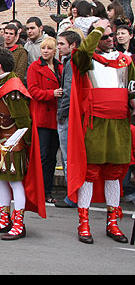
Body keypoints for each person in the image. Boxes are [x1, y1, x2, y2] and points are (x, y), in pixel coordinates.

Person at [67, 18, 134, 244]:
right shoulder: (86, 59)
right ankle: (83, 223)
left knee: (114, 174)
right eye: (104, 36)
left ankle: (112, 222)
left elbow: (131, 88)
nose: (109, 39)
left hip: (119, 124)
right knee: (90, 173)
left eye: (110, 35)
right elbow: (83, 52)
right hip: (95, 124)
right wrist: (97, 28)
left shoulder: (127, 60)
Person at [0, 48, 46, 239]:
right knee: (3, 181)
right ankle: (4, 219)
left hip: (15, 143)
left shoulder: (13, 87)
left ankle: (19, 223)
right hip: (1, 141)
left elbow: (23, 120)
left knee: (15, 183)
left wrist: (26, 143)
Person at [26, 36, 63, 204]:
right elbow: (32, 91)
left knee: (51, 158)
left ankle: (47, 190)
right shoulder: (34, 67)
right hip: (42, 116)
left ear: (54, 50)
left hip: (56, 116)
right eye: (43, 48)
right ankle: (38, 191)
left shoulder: (60, 67)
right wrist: (51, 94)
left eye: (49, 48)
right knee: (41, 156)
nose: (45, 51)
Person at [54, 30, 82, 209]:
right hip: (72, 114)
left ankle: (72, 195)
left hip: (69, 115)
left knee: (68, 156)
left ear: (73, 45)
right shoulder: (71, 61)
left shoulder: (72, 63)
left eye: (61, 44)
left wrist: (62, 114)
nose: (58, 47)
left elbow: (69, 91)